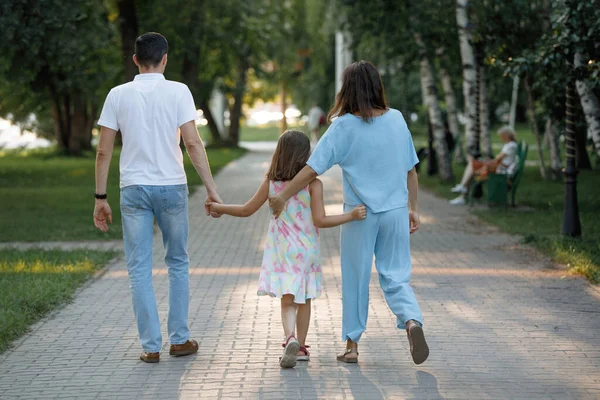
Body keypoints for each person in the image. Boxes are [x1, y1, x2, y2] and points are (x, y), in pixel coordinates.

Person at [269, 61, 429, 365]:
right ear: (377, 86)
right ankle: (412, 321)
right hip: (396, 210)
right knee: (396, 275)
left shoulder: (343, 126)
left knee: (356, 277)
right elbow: (411, 169)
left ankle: (352, 347)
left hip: (360, 214)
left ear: (348, 89)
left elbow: (311, 169)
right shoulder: (396, 120)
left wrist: (283, 196)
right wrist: (414, 209)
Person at [93, 32, 222, 363]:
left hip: (132, 189)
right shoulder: (178, 91)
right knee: (177, 261)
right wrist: (211, 189)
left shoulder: (117, 95)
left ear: (135, 60)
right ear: (165, 58)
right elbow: (192, 143)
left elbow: (103, 150)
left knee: (138, 268)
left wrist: (100, 197)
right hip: (171, 187)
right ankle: (179, 339)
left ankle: (150, 347)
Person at [207, 130, 367, 368]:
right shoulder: (314, 185)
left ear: (279, 154)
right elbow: (321, 220)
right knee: (305, 300)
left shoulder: (272, 185)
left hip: (281, 252)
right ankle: (301, 347)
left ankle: (289, 337)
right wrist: (351, 216)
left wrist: (219, 207)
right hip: (307, 251)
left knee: (288, 299)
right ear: (306, 156)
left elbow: (245, 209)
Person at [449, 126, 518, 205]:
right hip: (499, 167)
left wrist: (488, 162)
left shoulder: (511, 145)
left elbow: (498, 159)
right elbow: (498, 159)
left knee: (472, 165)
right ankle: (462, 191)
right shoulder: (509, 144)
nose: (501, 137)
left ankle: (462, 190)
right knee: (473, 168)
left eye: (502, 135)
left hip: (500, 170)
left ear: (507, 135)